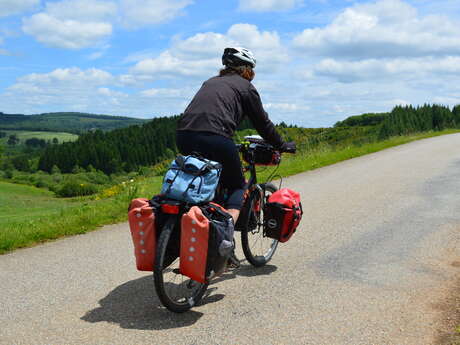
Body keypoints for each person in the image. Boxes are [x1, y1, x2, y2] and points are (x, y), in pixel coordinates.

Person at [176, 47, 296, 225]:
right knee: (237, 185)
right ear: (246, 69)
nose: (253, 74)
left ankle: (195, 217)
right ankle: (225, 235)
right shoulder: (246, 87)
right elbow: (262, 123)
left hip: (183, 136)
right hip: (216, 137)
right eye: (252, 70)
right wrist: (282, 145)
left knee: (202, 178)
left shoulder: (210, 82)